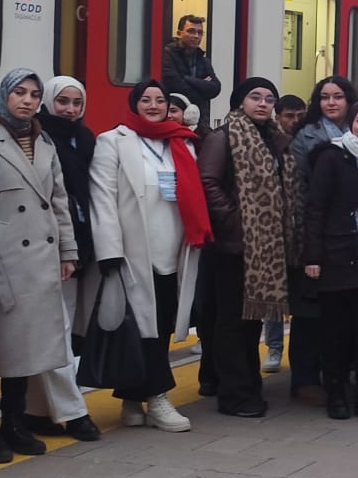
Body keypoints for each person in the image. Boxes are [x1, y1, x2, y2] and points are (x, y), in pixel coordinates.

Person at [0, 68, 80, 462]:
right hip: (1, 261)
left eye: (33, 94)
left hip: (39, 260)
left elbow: (59, 200)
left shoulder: (44, 140)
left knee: (24, 347)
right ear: (4, 96)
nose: (27, 100)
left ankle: (13, 423)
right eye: (19, 93)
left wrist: (68, 251)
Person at [88, 80, 210, 431]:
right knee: (142, 327)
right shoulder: (113, 141)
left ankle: (130, 400)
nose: (154, 105)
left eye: (160, 99)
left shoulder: (181, 143)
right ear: (134, 104)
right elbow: (103, 198)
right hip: (133, 252)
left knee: (161, 324)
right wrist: (109, 251)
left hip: (174, 249)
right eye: (146, 99)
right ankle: (158, 398)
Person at [199, 77, 300, 418]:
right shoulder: (223, 137)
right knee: (230, 321)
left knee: (250, 321)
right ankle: (234, 394)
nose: (262, 103)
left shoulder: (274, 139)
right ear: (239, 101)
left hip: (266, 249)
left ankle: (248, 386)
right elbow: (209, 183)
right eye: (255, 97)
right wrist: (238, 222)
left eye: (269, 98)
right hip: (233, 247)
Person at [304, 101, 358, 422]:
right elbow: (315, 208)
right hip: (335, 257)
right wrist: (312, 256)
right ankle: (337, 395)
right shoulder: (332, 156)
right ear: (350, 124)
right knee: (336, 335)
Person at [29, 75, 101, 440]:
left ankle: (35, 411)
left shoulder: (85, 139)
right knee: (55, 330)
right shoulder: (40, 139)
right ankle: (73, 413)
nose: (70, 109)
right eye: (63, 102)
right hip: (50, 247)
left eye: (77, 102)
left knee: (61, 329)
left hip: (79, 248)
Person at [285, 76, 358, 405]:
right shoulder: (307, 135)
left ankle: (338, 375)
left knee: (343, 310)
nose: (331, 103)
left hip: (354, 235)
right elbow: (299, 185)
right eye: (325, 97)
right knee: (310, 311)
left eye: (338, 97)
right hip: (317, 230)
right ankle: (304, 379)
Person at [160, 14, 222, 132]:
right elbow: (173, 84)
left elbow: (215, 88)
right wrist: (202, 87)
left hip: (200, 121)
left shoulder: (203, 60)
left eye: (200, 33)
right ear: (179, 33)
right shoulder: (167, 54)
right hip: (173, 118)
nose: (196, 36)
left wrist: (189, 79)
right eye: (191, 31)